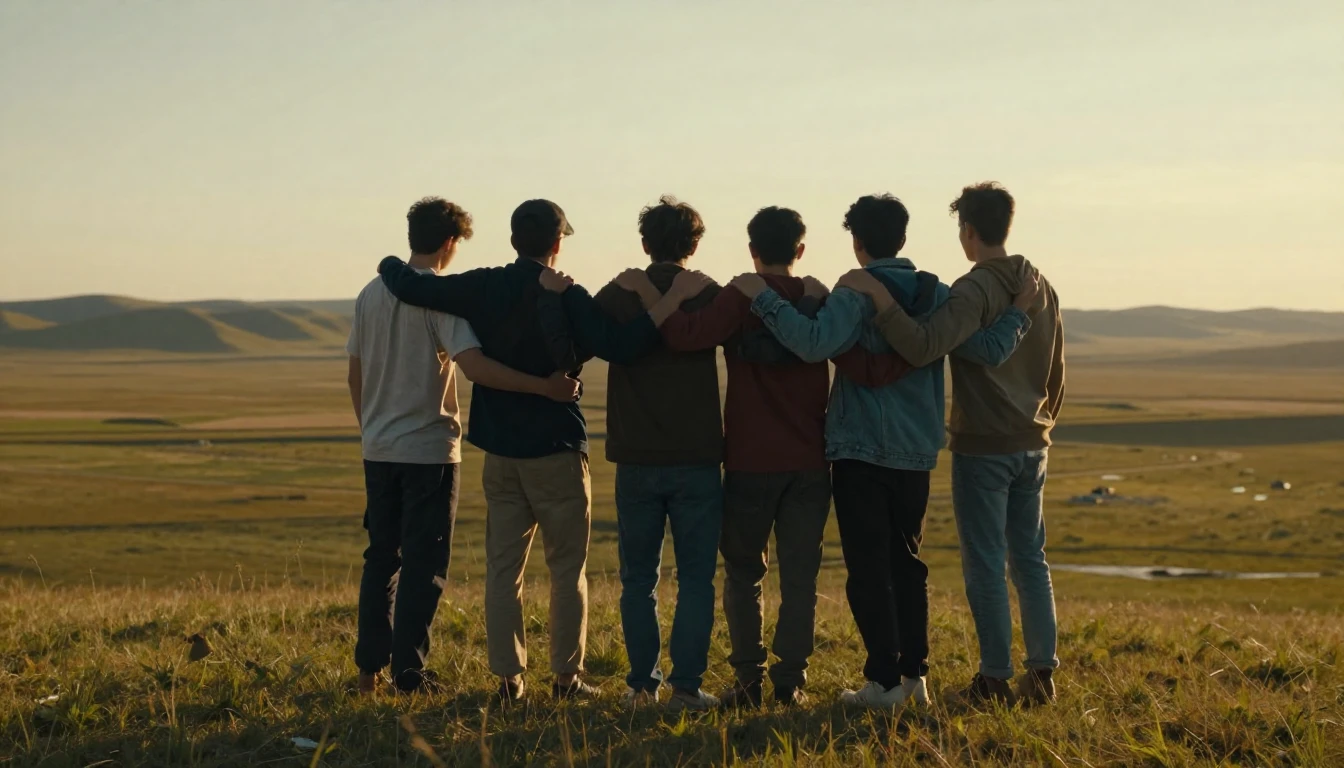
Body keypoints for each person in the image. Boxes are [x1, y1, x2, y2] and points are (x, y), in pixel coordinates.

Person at [375, 199, 703, 703]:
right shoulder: (567, 294)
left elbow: (413, 286)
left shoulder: (483, 285)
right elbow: (622, 345)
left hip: (501, 453)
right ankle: (566, 679)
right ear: (556, 244)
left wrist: (387, 263)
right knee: (567, 570)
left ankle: (510, 679)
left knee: (503, 571)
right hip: (557, 449)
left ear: (512, 241)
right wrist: (666, 302)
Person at [732, 194, 1035, 709]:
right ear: (903, 238)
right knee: (907, 564)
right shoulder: (935, 292)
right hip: (916, 449)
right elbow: (986, 350)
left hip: (859, 450)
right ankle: (915, 677)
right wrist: (1020, 313)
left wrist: (763, 298)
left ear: (857, 241)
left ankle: (884, 682)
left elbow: (811, 343)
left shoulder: (853, 293)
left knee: (869, 568)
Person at [659, 206, 912, 708]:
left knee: (743, 575)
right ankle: (790, 681)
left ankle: (748, 678)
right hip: (810, 460)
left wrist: (661, 299)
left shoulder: (741, 295)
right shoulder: (818, 299)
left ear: (752, 250)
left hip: (749, 459)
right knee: (800, 578)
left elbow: (686, 336)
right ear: (800, 250)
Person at [838, 182, 1065, 707]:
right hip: (1034, 440)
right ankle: (1042, 674)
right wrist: (1043, 421)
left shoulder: (972, 289)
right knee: (1031, 559)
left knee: (985, 562)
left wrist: (881, 300)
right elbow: (1056, 366)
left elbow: (922, 346)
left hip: (985, 442)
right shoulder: (1040, 283)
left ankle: (994, 678)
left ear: (967, 230)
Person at [348, 197, 580, 695]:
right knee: (424, 564)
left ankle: (368, 672)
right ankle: (409, 675)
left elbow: (355, 372)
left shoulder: (370, 294)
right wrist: (544, 387)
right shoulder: (439, 299)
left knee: (381, 557)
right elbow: (475, 367)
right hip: (428, 450)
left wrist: (371, 428)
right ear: (450, 242)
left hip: (378, 447)